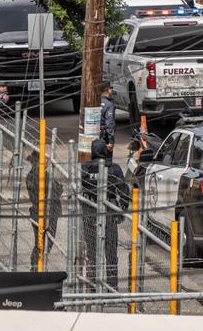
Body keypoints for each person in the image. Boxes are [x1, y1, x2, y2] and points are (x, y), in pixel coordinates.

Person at [81, 137, 129, 291]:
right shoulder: (114, 168)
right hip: (109, 210)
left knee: (92, 251)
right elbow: (124, 191)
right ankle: (112, 287)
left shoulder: (85, 168)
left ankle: (92, 286)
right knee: (111, 251)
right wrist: (122, 209)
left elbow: (79, 187)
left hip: (90, 210)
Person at [99, 81, 116, 145]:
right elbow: (109, 123)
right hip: (104, 136)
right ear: (108, 89)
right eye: (111, 88)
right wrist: (111, 140)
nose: (112, 90)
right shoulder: (109, 104)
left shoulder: (95, 101)